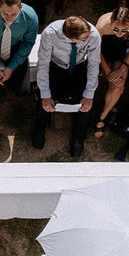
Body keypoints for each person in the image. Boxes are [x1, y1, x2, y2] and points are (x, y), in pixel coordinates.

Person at [30, 14, 98, 155]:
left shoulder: (93, 34)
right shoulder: (50, 34)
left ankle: (78, 137)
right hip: (55, 65)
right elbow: (42, 64)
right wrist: (45, 95)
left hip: (79, 65)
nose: (89, 36)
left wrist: (89, 94)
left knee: (86, 105)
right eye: (85, 37)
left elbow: (93, 64)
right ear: (72, 39)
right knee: (44, 99)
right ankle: (39, 127)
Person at [91, 8, 129, 140]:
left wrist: (123, 67)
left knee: (117, 84)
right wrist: (107, 70)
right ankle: (107, 113)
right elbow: (96, 49)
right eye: (115, 29)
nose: (119, 33)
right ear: (111, 22)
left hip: (124, 51)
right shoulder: (102, 25)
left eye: (124, 30)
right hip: (104, 50)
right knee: (117, 84)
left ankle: (102, 116)